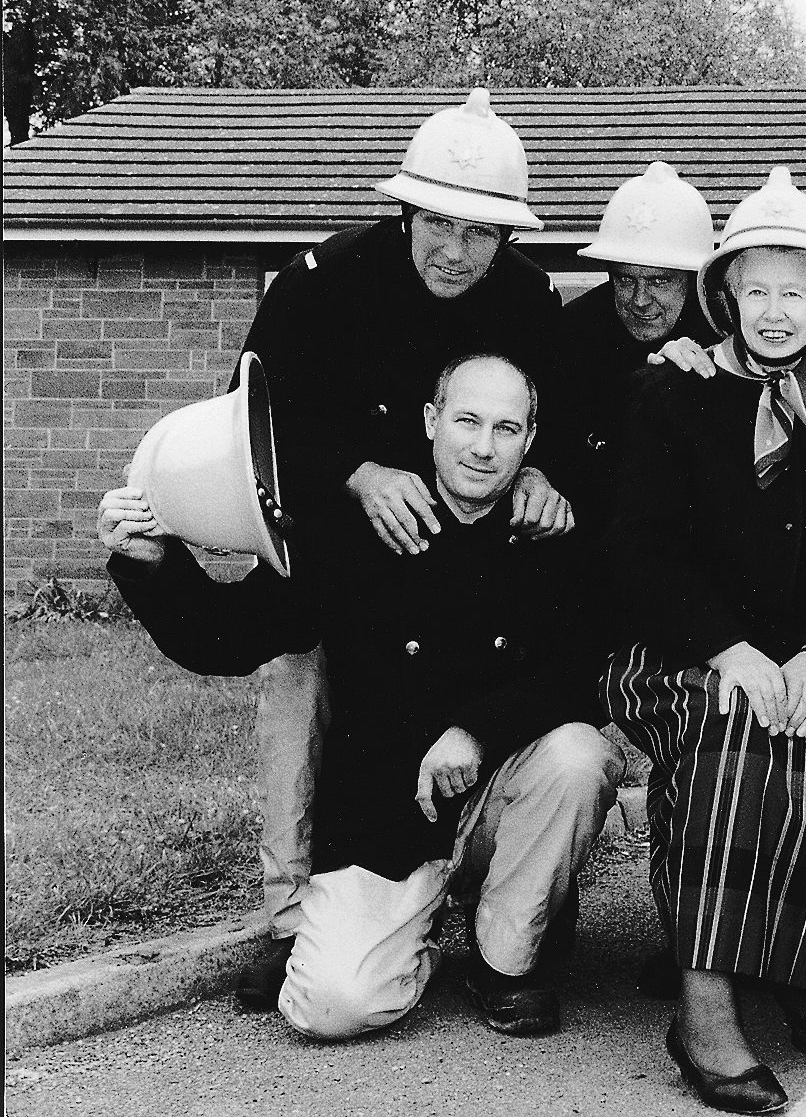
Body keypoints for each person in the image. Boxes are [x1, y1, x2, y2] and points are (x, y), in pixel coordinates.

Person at [99, 354, 620, 1040]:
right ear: (432, 423)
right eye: (466, 421)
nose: (483, 447)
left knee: (580, 755)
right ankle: (409, 932)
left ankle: (506, 961)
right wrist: (151, 562)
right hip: (387, 825)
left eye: (505, 427)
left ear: (529, 440)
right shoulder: (354, 531)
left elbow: (586, 673)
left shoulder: (553, 540)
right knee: (330, 1008)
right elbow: (228, 639)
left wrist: (475, 731)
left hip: (500, 808)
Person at [232, 88, 580, 1010]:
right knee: (302, 688)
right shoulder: (325, 279)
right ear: (404, 209)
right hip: (332, 540)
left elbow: (558, 416)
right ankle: (292, 922)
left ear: (507, 238)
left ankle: (503, 907)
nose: (458, 252)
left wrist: (543, 478)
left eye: (482, 233)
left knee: (504, 700)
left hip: (458, 541)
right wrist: (358, 475)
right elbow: (256, 421)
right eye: (439, 224)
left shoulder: (526, 298)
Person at [604, 167, 806, 1114]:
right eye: (756, 289)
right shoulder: (672, 391)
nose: (776, 310)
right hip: (677, 653)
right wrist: (727, 648)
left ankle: (794, 964)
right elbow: (639, 553)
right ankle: (705, 1010)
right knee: (735, 728)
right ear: (725, 293)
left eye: (796, 288)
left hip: (804, 654)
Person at [563, 161, 719, 530]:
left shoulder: (726, 338)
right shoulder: (574, 332)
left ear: (694, 279)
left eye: (660, 282)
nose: (639, 300)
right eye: (624, 280)